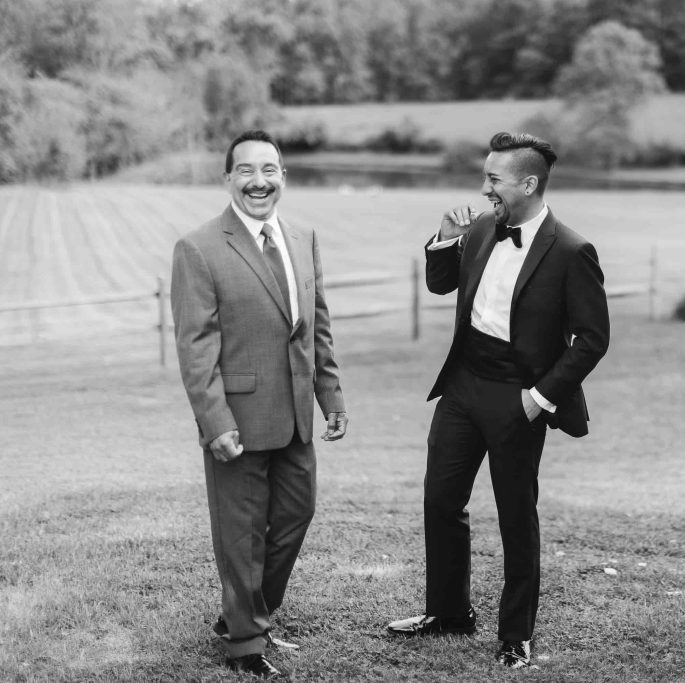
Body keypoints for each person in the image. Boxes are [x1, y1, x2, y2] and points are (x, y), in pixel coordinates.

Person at [387, 132, 610, 669]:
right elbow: (444, 287)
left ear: (528, 183)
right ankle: (447, 612)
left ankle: (516, 634)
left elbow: (593, 339)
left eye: (494, 179)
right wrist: (444, 240)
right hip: (463, 385)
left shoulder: (572, 251)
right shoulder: (484, 226)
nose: (485, 188)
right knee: (440, 500)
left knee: (516, 515)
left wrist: (538, 399)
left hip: (518, 396)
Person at [171, 129, 348, 678]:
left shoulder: (302, 236)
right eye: (246, 170)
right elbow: (195, 347)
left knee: (297, 514)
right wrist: (214, 420)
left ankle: (242, 611)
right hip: (239, 420)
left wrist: (330, 393)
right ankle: (246, 643)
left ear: (283, 178)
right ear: (228, 179)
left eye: (269, 170)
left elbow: (315, 324)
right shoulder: (198, 248)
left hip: (295, 415)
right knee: (241, 534)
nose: (259, 181)